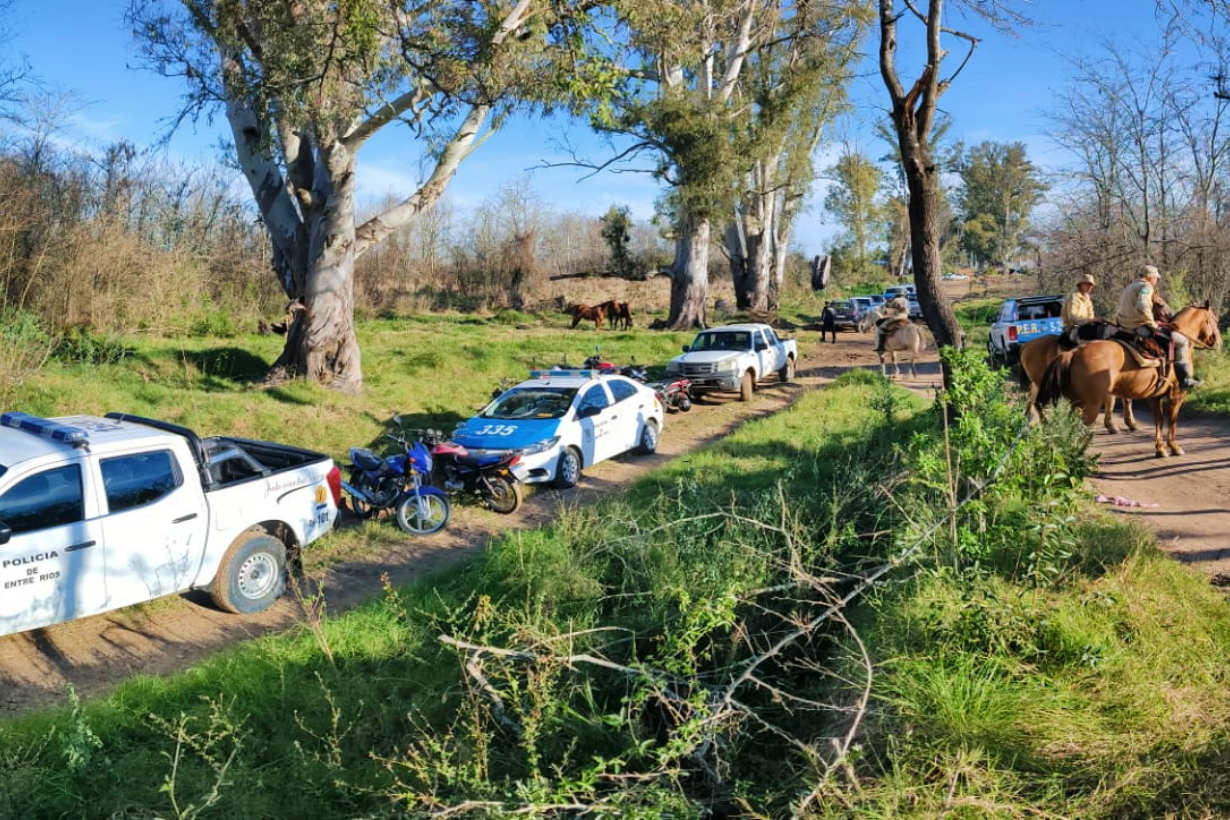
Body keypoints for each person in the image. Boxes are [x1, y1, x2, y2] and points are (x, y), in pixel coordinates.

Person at [1115, 264, 1200, 389]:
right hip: (1138, 326)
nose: (1156, 281)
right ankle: (1184, 380)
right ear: (1149, 277)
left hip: (1123, 324)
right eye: (1156, 278)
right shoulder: (1146, 286)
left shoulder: (1130, 286)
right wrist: (1152, 323)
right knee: (1181, 341)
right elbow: (1142, 306)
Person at [1061, 272, 1097, 343]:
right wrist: (1090, 320)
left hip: (1086, 327)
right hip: (1073, 328)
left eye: (1091, 285)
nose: (1090, 287)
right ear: (1080, 285)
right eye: (1087, 284)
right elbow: (1073, 318)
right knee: (1086, 344)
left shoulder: (1087, 298)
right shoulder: (1073, 297)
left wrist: (1095, 321)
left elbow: (1091, 316)